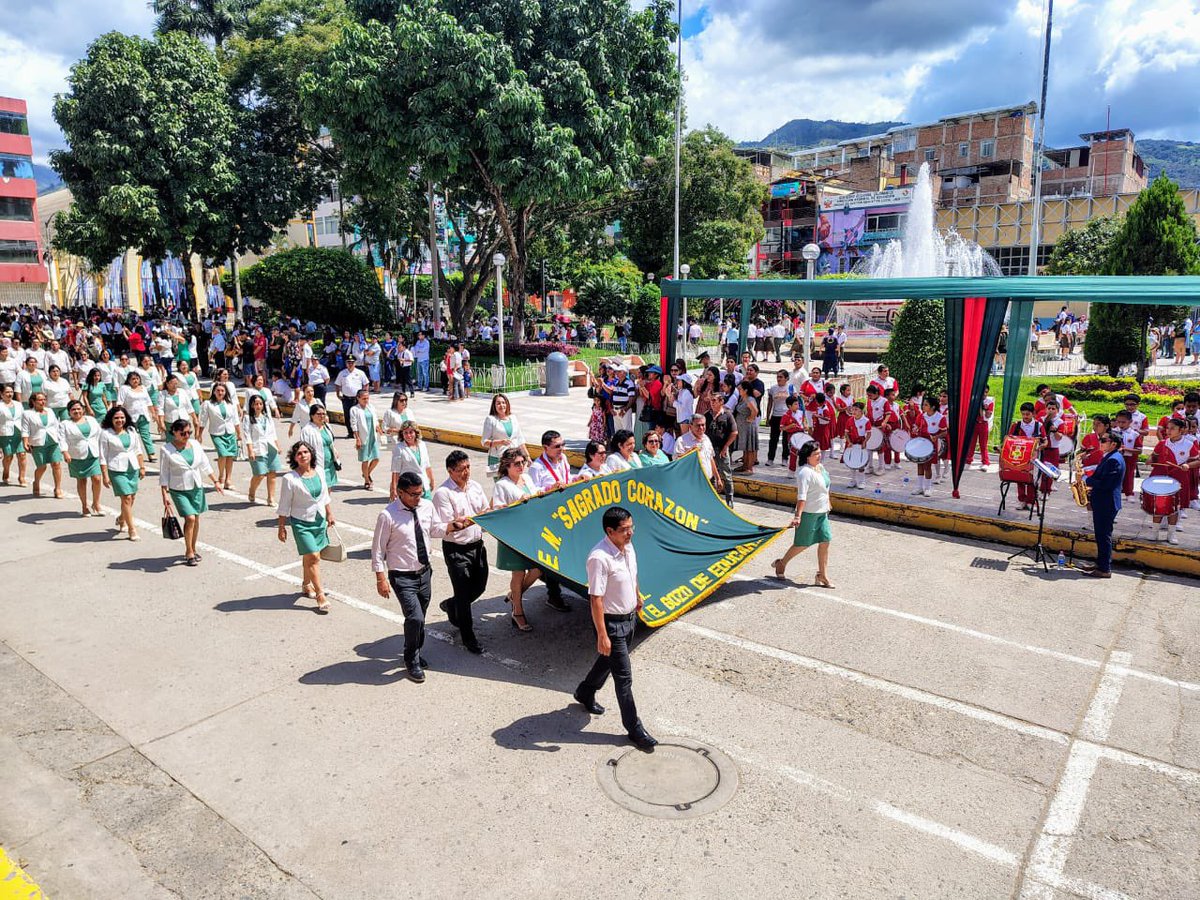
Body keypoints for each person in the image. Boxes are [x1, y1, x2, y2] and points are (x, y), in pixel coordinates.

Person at [572, 506, 657, 751]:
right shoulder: (599, 558)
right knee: (624, 679)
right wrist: (602, 634)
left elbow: (632, 574)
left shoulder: (628, 547)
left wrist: (637, 595)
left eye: (631, 527)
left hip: (629, 618)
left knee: (607, 661)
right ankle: (634, 728)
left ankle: (585, 691)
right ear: (610, 531)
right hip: (611, 623)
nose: (630, 533)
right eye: (624, 530)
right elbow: (596, 598)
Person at [372, 470, 463, 682]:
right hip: (402, 576)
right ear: (400, 492)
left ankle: (414, 650)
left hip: (424, 572)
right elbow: (377, 549)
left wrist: (452, 526)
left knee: (419, 619)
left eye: (420, 493)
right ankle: (411, 658)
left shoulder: (426, 506)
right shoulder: (388, 515)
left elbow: (434, 530)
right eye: (413, 494)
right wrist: (380, 578)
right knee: (415, 617)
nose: (417, 498)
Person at [431, 450, 490, 655]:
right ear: (450, 471)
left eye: (467, 467)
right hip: (457, 550)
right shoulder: (443, 493)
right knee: (464, 595)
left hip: (477, 545)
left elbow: (485, 510)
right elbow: (446, 525)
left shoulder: (475, 486)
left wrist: (476, 519)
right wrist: (461, 523)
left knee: (480, 586)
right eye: (460, 469)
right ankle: (468, 637)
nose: (465, 472)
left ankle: (451, 604)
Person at [277, 441, 335, 613]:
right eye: (299, 453)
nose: (303, 456)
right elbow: (284, 504)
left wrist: (330, 513)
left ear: (311, 454)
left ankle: (305, 584)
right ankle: (320, 595)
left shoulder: (320, 473)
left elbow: (324, 497)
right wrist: (281, 526)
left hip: (319, 520)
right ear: (294, 458)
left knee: (309, 557)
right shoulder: (290, 478)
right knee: (314, 556)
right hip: (301, 522)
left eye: (305, 452)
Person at [159, 419, 224, 566]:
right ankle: (188, 552)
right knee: (190, 518)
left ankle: (193, 548)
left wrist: (215, 481)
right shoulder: (166, 449)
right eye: (183, 433)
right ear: (174, 432)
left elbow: (204, 464)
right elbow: (164, 473)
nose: (186, 435)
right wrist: (164, 494)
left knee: (196, 518)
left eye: (189, 432)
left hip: (196, 487)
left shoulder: (195, 444)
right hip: (179, 489)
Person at [491, 447, 542, 632]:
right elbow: (498, 508)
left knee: (538, 569)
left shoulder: (527, 479)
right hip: (514, 533)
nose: (521, 466)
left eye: (523, 462)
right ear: (507, 466)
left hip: (531, 530)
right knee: (518, 572)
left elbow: (537, 495)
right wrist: (518, 503)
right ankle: (518, 611)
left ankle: (515, 595)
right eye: (517, 464)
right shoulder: (502, 485)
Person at [773, 440, 834, 587]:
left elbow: (826, 487)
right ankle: (782, 563)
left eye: (819, 453)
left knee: (825, 541)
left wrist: (828, 502)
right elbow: (802, 497)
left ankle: (822, 575)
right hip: (809, 513)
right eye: (815, 454)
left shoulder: (820, 467)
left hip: (822, 512)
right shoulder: (804, 473)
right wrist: (798, 516)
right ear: (807, 456)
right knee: (801, 544)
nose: (819, 456)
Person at [1147, 418, 1200, 544]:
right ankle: (1154, 532)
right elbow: (1154, 455)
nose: (1168, 431)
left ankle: (1171, 534)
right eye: (1167, 428)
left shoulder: (1189, 444)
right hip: (1162, 477)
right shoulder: (1163, 443)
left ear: (1181, 430)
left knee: (1175, 508)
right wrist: (1149, 459)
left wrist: (1188, 466)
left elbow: (1197, 461)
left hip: (1179, 478)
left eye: (1172, 428)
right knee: (1158, 506)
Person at [99, 405, 146, 541]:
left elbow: (138, 450)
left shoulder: (131, 430)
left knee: (132, 497)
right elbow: (103, 456)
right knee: (125, 498)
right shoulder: (106, 433)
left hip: (132, 467)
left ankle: (121, 517)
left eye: (122, 417)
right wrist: (105, 475)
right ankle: (132, 529)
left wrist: (142, 467)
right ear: (111, 419)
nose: (119, 420)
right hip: (116, 469)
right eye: (116, 418)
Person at [1081, 432, 1125, 578]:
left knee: (1103, 535)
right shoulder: (1110, 456)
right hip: (1104, 501)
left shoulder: (1114, 460)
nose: (1101, 442)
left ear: (1113, 444)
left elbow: (1106, 484)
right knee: (1101, 535)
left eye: (1104, 440)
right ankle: (1101, 563)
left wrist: (1087, 480)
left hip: (1106, 502)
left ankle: (1104, 568)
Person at [60, 400, 103, 517]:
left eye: (79, 409)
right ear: (69, 412)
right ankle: (84, 506)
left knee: (97, 479)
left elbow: (100, 435)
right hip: (77, 455)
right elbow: (62, 439)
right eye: (73, 410)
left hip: (93, 454)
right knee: (82, 480)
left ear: (83, 409)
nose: (77, 411)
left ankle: (96, 503)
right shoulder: (65, 424)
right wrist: (65, 452)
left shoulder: (92, 420)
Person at [243, 393, 285, 505]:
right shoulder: (248, 418)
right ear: (252, 405)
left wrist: (278, 446)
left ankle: (271, 498)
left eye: (260, 404)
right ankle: (252, 490)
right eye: (256, 404)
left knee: (272, 473)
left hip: (271, 447)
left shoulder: (267, 418)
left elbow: (273, 433)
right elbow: (247, 435)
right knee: (260, 474)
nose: (258, 406)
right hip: (258, 448)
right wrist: (250, 450)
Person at [22, 392, 64, 498]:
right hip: (38, 442)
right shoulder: (27, 414)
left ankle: (58, 488)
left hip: (53, 441)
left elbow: (56, 425)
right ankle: (36, 482)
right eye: (40, 400)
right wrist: (25, 441)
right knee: (42, 467)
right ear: (33, 402)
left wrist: (61, 439)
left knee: (56, 464)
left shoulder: (49, 411)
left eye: (44, 399)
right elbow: (25, 429)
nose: (43, 402)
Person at [202, 382, 242, 490]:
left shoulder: (230, 404)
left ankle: (228, 479)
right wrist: (199, 434)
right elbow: (203, 420)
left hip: (230, 432)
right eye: (218, 391)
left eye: (222, 391)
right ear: (214, 392)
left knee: (230, 456)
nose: (220, 393)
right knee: (223, 454)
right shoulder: (208, 404)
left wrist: (239, 433)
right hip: (216, 433)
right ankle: (221, 476)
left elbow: (235, 420)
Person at [118, 371, 157, 462]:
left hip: (143, 415)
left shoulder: (143, 388)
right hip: (131, 416)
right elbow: (120, 403)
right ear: (129, 380)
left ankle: (151, 453)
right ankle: (134, 453)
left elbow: (148, 401)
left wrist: (153, 413)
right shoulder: (124, 388)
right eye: (133, 379)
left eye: (137, 378)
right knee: (132, 436)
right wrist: (121, 415)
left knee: (146, 435)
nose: (135, 381)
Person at [389, 421, 434, 500]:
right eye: (405, 433)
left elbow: (427, 465)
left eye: (411, 432)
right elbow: (395, 471)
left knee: (427, 510)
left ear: (416, 433)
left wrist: (432, 480)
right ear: (402, 434)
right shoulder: (399, 448)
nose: (408, 435)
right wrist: (394, 488)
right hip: (409, 488)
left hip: (424, 486)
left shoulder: (422, 445)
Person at [481, 393, 524, 474]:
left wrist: (527, 456)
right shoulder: (490, 420)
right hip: (497, 459)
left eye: (503, 402)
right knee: (501, 484)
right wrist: (500, 442)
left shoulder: (513, 418)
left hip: (514, 459)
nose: (501, 405)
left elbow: (520, 439)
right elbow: (484, 442)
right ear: (494, 406)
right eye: (498, 403)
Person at [350, 388, 382, 489]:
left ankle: (366, 473)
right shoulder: (354, 409)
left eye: (367, 398)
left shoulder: (371, 407)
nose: (366, 400)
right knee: (365, 459)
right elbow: (354, 425)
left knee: (376, 458)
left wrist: (378, 427)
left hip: (373, 436)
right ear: (358, 398)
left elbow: (375, 419)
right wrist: (357, 438)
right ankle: (367, 480)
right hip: (363, 437)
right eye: (364, 398)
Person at [333, 357, 369, 438]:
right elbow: (337, 384)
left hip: (358, 399)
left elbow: (366, 383)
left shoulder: (360, 373)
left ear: (355, 363)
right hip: (346, 398)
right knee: (347, 416)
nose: (350, 364)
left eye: (352, 362)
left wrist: (365, 395)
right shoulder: (342, 373)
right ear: (346, 363)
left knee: (359, 415)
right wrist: (338, 394)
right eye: (348, 362)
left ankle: (360, 432)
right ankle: (350, 433)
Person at [0, 382, 27, 486]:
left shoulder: (18, 404)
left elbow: (24, 419)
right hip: (5, 434)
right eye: (7, 392)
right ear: (1, 394)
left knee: (22, 455)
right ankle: (6, 473)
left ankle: (22, 477)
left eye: (11, 392)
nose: (9, 394)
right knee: (8, 456)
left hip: (19, 433)